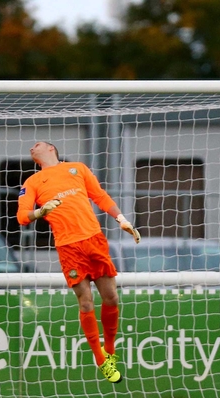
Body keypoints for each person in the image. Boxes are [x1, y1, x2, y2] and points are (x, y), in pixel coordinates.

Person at [17, 141, 140, 383]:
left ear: (52, 149)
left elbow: (100, 196)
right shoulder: (31, 182)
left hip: (94, 239)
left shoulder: (77, 168)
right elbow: (22, 216)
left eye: (38, 144)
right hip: (68, 247)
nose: (32, 147)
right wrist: (40, 212)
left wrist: (122, 219)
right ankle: (100, 360)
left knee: (111, 297)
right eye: (31, 147)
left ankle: (111, 351)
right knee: (86, 302)